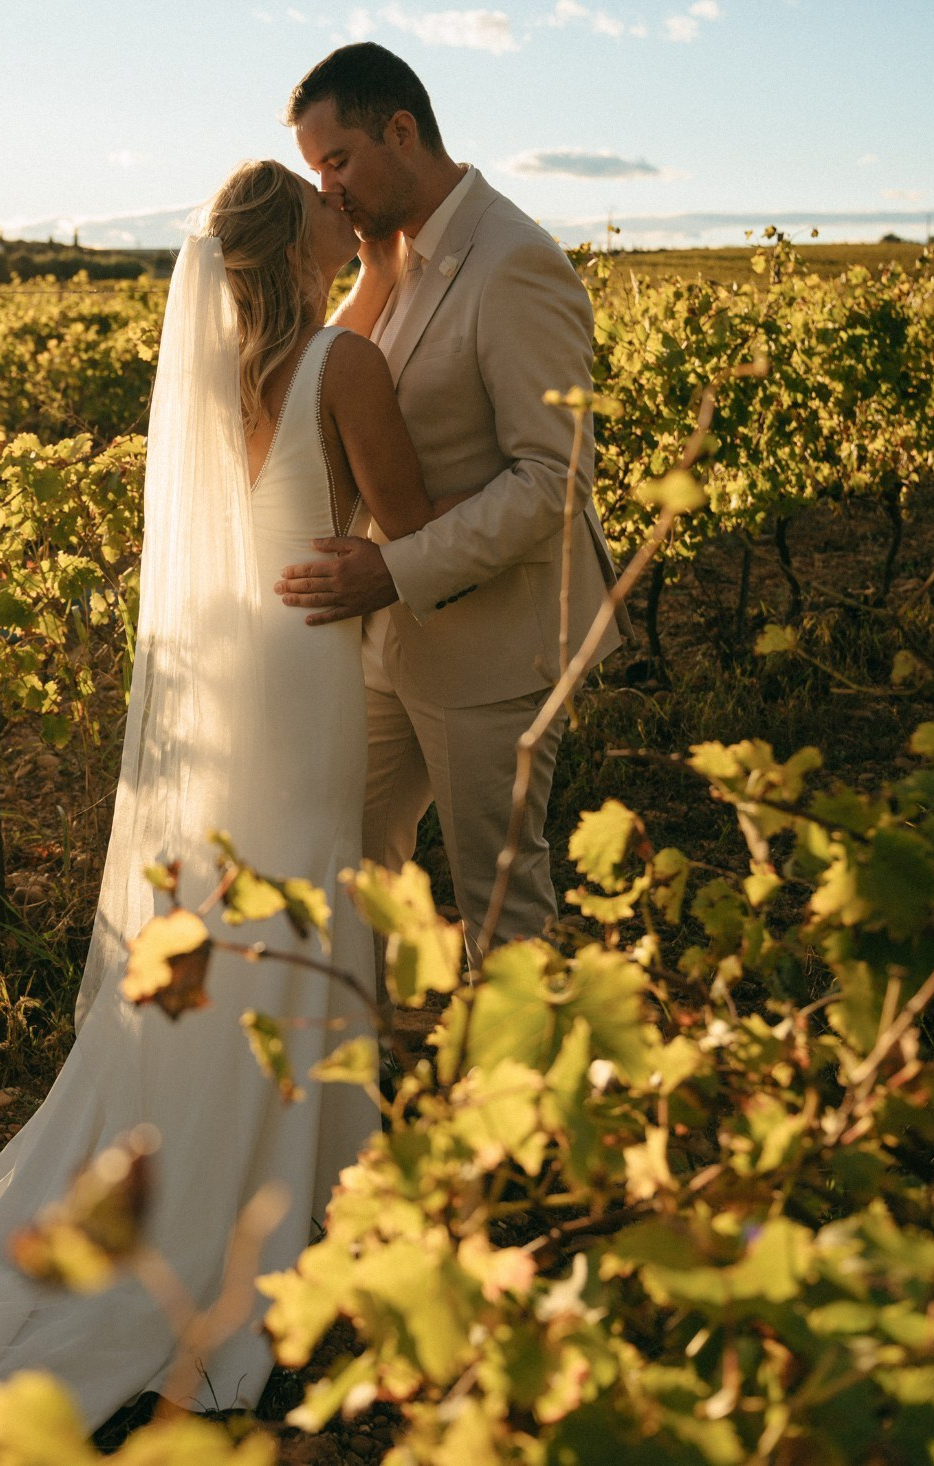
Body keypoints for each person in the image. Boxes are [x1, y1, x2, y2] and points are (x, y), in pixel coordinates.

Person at [0, 158, 472, 1445]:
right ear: (299, 250)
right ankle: (295, 1183)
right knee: (302, 875)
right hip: (309, 663)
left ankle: (223, 1148)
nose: (351, 227)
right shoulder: (345, 365)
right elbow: (409, 532)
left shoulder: (210, 375)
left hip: (234, 664)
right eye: (332, 217)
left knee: (237, 886)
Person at [276, 42, 626, 962]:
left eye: (339, 161)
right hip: (392, 642)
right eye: (318, 172)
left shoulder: (515, 263)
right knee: (352, 857)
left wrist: (393, 571)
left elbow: (554, 480)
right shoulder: (391, 258)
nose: (332, 189)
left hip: (492, 646)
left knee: (500, 898)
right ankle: (378, 1070)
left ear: (402, 131)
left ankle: (522, 1099)